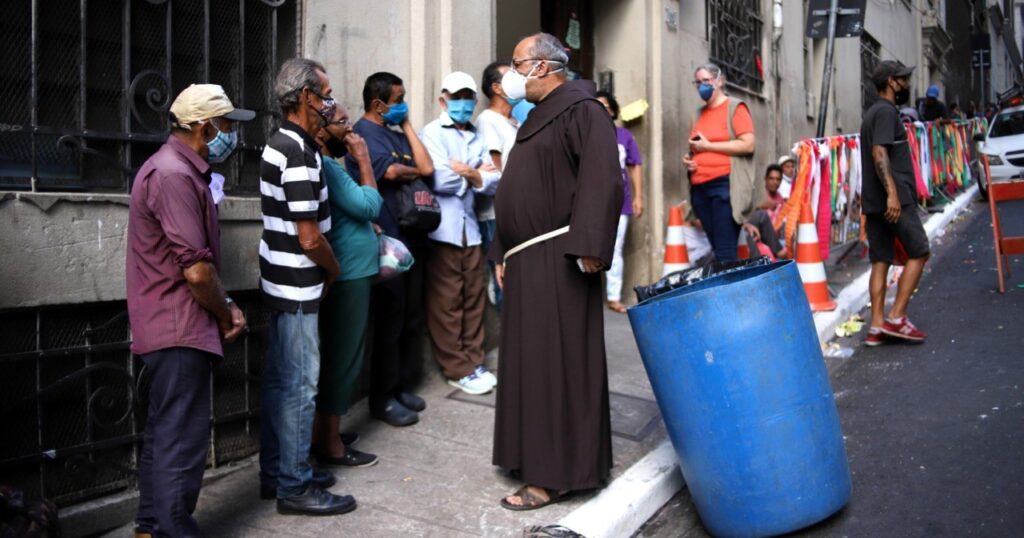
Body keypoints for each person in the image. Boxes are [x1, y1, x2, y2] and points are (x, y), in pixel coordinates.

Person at [490, 33, 623, 510]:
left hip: (561, 256)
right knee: (531, 364)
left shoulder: (584, 110)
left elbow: (603, 179)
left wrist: (590, 244)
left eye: (516, 62)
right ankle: (530, 455)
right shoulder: (539, 115)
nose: (511, 71)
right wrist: (503, 248)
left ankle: (559, 474)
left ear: (543, 67)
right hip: (526, 257)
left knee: (558, 366)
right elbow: (517, 190)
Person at [127, 83, 252, 538]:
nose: (230, 134)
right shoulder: (173, 174)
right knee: (181, 441)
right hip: (178, 325)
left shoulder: (176, 169)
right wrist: (225, 313)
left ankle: (150, 526)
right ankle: (170, 530)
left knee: (167, 435)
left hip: (172, 322)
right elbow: (196, 271)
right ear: (204, 126)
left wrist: (226, 305)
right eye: (225, 125)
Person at [258, 58, 356, 516]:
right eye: (325, 95)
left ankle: (278, 471)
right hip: (297, 285)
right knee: (299, 387)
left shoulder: (283, 143)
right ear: (305, 98)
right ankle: (293, 486)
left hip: (280, 281)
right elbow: (309, 236)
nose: (329, 104)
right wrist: (333, 270)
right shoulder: (296, 151)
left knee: (281, 383)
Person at [347, 72, 434, 427]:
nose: (403, 104)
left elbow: (426, 167)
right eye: (398, 100)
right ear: (378, 103)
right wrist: (408, 171)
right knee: (388, 322)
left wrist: (408, 124)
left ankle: (399, 387)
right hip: (385, 242)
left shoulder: (396, 133)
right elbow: (394, 173)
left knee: (410, 318)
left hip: (412, 239)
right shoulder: (362, 135)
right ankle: (381, 399)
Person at [419, 71, 501, 395]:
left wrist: (466, 171)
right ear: (443, 100)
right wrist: (475, 174)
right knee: (447, 302)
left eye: (468, 97)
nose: (464, 103)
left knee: (473, 297)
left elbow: (495, 179)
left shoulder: (476, 133)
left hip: (471, 228)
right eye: (457, 97)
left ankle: (474, 361)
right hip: (443, 231)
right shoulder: (432, 132)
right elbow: (439, 180)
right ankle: (458, 368)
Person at [310, 102, 381, 468]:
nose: (350, 131)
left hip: (353, 270)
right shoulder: (327, 166)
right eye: (342, 123)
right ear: (322, 130)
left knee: (339, 357)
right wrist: (364, 158)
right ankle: (331, 444)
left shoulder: (328, 166)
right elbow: (370, 205)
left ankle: (326, 432)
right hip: (349, 274)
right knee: (343, 359)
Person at [861, 60, 930, 346]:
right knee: (920, 250)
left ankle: (876, 327)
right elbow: (879, 153)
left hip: (874, 201)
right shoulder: (887, 112)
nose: (906, 84)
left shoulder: (871, 114)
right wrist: (892, 193)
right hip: (894, 199)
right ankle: (897, 317)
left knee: (881, 261)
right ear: (891, 81)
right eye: (903, 79)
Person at [682, 62, 757, 263]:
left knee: (724, 252)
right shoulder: (697, 114)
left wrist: (709, 147)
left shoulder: (734, 107)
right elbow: (696, 147)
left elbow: (748, 145)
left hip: (724, 187)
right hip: (700, 190)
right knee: (718, 249)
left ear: (719, 80)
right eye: (697, 83)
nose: (701, 86)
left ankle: (730, 292)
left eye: (706, 81)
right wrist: (689, 161)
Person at [476, 61, 521, 308]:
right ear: (496, 88)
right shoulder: (488, 120)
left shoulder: (514, 122)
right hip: (496, 215)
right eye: (510, 77)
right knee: (504, 280)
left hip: (516, 213)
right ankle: (511, 343)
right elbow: (495, 170)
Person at [595, 90, 644, 314]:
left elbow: (635, 166)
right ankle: (589, 296)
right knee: (590, 246)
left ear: (613, 110)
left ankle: (613, 297)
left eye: (605, 106)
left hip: (620, 201)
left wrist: (638, 197)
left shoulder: (624, 136)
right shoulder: (585, 134)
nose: (602, 110)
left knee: (615, 248)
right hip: (592, 202)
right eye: (597, 106)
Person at [743, 164, 788, 260]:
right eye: (771, 178)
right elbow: (746, 214)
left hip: (776, 238)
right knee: (761, 215)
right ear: (765, 179)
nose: (775, 182)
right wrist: (759, 205)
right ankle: (779, 251)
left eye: (778, 179)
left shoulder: (780, 199)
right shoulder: (758, 195)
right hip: (758, 235)